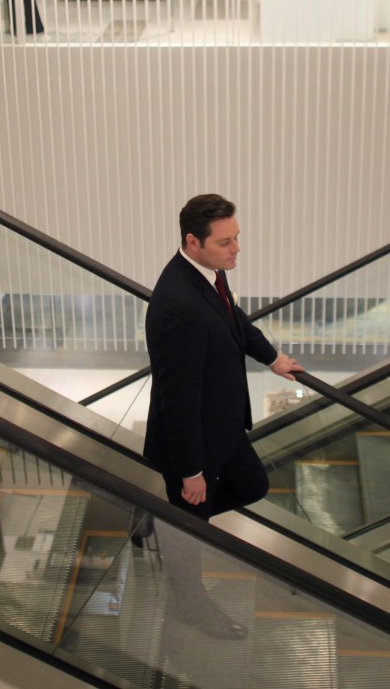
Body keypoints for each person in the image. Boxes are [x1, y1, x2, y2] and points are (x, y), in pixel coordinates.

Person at [141, 193, 304, 638]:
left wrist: (272, 358)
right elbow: (177, 399)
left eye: (237, 239)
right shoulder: (178, 305)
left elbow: (233, 321)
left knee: (251, 483)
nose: (236, 250)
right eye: (226, 242)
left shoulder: (208, 274)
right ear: (193, 241)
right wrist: (191, 471)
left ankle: (162, 522)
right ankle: (190, 606)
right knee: (188, 533)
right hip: (192, 441)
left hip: (223, 423)